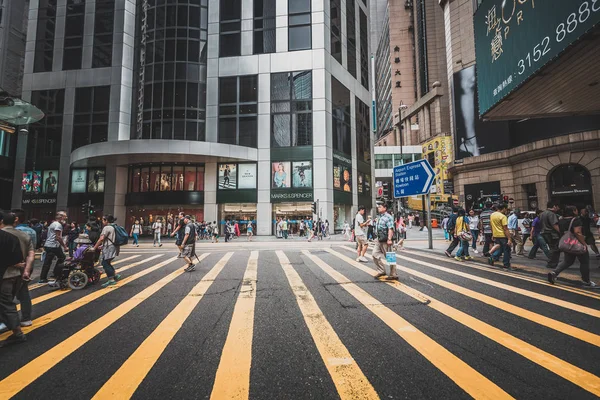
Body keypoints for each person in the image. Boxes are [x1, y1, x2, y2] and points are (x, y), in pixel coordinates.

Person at [1, 211, 35, 332]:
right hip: (20, 271)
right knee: (23, 294)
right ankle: (26, 318)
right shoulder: (26, 235)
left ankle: (13, 327)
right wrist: (26, 270)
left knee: (6, 301)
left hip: (5, 272)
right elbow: (31, 254)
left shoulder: (3, 234)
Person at [548, 206, 597, 288]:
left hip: (567, 244)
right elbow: (577, 232)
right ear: (573, 211)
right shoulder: (576, 220)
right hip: (577, 245)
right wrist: (584, 244)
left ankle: (554, 273)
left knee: (567, 261)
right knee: (584, 262)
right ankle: (586, 281)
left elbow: (560, 231)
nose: (577, 211)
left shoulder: (561, 221)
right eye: (576, 210)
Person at [0, 211, 26, 346]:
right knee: (6, 303)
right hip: (15, 276)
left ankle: (18, 333)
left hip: (4, 277)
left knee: (6, 304)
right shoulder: (12, 238)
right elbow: (19, 260)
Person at [39, 211, 68, 284]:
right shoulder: (58, 225)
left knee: (48, 261)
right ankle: (56, 274)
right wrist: (64, 246)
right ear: (61, 217)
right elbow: (58, 237)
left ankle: (43, 278)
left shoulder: (53, 223)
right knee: (62, 257)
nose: (66, 218)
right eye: (65, 216)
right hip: (53, 245)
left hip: (49, 244)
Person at [93, 215, 121, 288]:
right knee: (107, 262)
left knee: (105, 263)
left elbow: (101, 239)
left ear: (106, 220)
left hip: (109, 247)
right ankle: (114, 275)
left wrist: (94, 248)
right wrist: (102, 246)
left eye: (103, 220)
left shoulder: (107, 227)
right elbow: (110, 238)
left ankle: (111, 279)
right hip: (114, 246)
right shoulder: (114, 226)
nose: (102, 221)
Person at [373, 202, 397, 281]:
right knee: (374, 254)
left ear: (385, 208)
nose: (378, 208)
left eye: (380, 207)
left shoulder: (388, 217)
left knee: (390, 257)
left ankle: (393, 274)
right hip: (379, 239)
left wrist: (389, 239)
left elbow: (390, 228)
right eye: (378, 207)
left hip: (386, 240)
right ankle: (382, 271)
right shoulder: (379, 216)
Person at [488, 204, 513, 269]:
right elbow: (505, 228)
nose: (506, 211)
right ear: (504, 208)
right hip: (503, 235)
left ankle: (492, 257)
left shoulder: (492, 215)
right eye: (506, 209)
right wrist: (509, 238)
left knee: (501, 248)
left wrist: (493, 234)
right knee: (507, 250)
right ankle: (506, 264)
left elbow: (491, 225)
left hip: (496, 235)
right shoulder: (503, 216)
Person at [540, 201, 561, 269]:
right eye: (557, 207)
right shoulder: (551, 214)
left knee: (551, 247)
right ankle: (552, 263)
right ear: (554, 206)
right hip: (552, 233)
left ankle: (551, 262)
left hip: (544, 233)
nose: (558, 208)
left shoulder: (542, 213)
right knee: (555, 249)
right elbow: (554, 224)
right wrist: (561, 232)